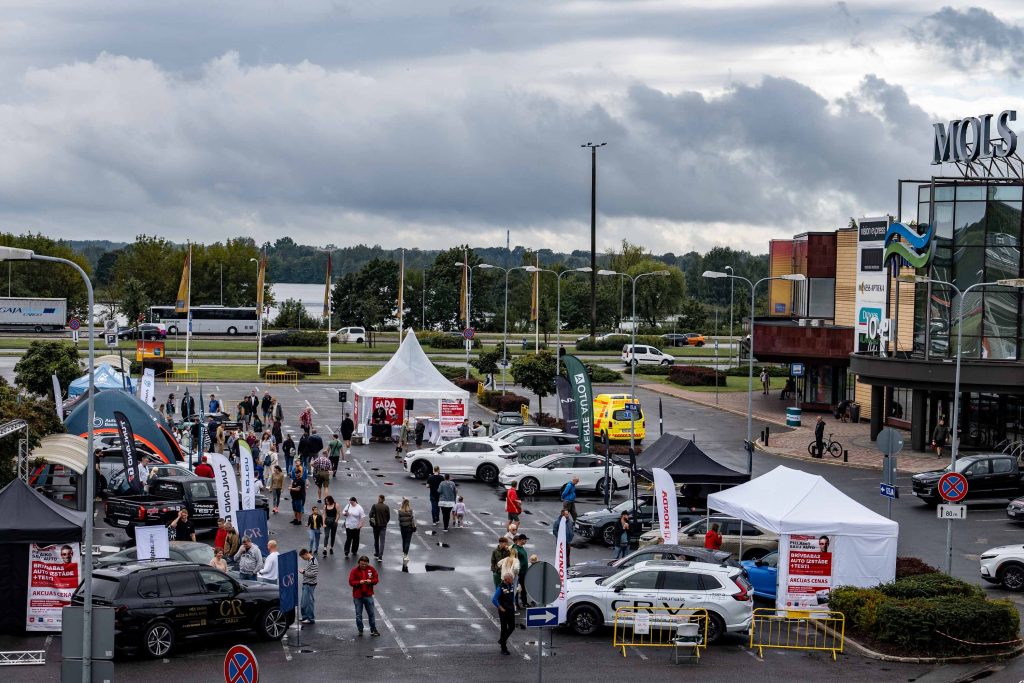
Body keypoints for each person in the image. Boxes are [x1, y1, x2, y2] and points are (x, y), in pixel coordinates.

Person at [349, 556, 381, 636]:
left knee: (371, 613)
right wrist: (360, 582)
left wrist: (370, 581)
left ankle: (373, 629)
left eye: (365, 564)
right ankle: (360, 629)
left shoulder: (371, 569)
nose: (364, 565)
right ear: (359, 563)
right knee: (358, 614)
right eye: (362, 564)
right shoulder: (354, 571)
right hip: (358, 596)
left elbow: (376, 579)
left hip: (368, 595)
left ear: (367, 563)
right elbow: (351, 582)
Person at [492, 572, 517, 655]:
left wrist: (513, 603)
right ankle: (503, 648)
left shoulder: (511, 585)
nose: (513, 579)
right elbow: (494, 599)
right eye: (511, 578)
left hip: (511, 609)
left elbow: (512, 595)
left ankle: (502, 640)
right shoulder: (500, 588)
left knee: (512, 626)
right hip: (503, 611)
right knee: (504, 628)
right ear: (507, 579)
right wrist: (500, 608)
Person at [369, 494, 391, 562]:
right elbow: (388, 517)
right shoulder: (386, 507)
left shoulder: (374, 506)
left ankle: (377, 553)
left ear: (379, 499)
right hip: (383, 526)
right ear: (383, 499)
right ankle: (380, 556)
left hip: (376, 526)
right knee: (382, 541)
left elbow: (370, 515)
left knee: (376, 540)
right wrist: (385, 522)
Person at [299, 548, 318, 625]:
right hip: (306, 583)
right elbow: (311, 571)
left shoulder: (313, 562)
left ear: (306, 554)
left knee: (309, 602)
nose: (303, 559)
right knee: (303, 602)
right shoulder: (310, 560)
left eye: (303, 557)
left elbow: (314, 574)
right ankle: (305, 617)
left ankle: (310, 618)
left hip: (309, 584)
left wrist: (304, 572)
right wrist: (305, 570)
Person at [398, 498, 416, 567]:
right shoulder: (411, 511)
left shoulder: (400, 511)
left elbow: (399, 519)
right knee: (408, 541)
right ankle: (405, 554)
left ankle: (404, 552)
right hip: (409, 528)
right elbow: (413, 519)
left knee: (404, 540)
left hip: (403, 528)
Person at [513, 534, 530, 607]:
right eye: (525, 539)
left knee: (523, 588)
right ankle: (516, 604)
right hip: (519, 572)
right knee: (516, 589)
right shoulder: (516, 549)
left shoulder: (521, 548)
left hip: (524, 572)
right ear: (521, 540)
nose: (526, 541)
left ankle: (524, 602)